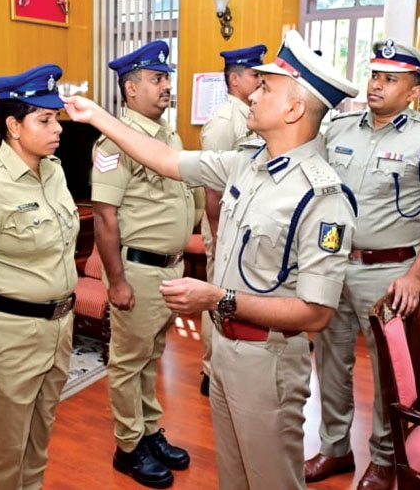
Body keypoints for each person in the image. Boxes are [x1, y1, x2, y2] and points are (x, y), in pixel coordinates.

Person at [65, 29, 358, 490]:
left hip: (269, 359)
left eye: (266, 87)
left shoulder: (323, 197)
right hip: (225, 350)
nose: (252, 93)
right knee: (234, 478)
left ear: (293, 109)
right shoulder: (247, 163)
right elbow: (164, 160)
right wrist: (99, 116)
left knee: (270, 479)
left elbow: (316, 313)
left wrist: (218, 298)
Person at [305, 39, 420, 490]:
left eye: (390, 79)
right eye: (375, 75)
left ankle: (385, 457)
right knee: (331, 363)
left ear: (414, 91)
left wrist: (415, 276)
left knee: (389, 371)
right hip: (333, 264)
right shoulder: (338, 129)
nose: (376, 85)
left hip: (389, 272)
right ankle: (334, 449)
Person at [0, 64, 79, 490]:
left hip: (59, 327)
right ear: (13, 126)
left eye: (56, 117)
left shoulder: (54, 170)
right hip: (11, 334)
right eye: (44, 119)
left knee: (40, 438)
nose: (56, 127)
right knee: (5, 449)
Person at [92, 40, 194, 488]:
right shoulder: (114, 142)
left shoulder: (167, 133)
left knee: (151, 356)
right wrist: (116, 282)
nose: (166, 86)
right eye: (157, 79)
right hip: (138, 270)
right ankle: (128, 446)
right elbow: (105, 216)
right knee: (127, 361)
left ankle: (150, 432)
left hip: (169, 269)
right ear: (131, 90)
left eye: (166, 78)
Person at [197, 43, 267, 396]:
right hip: (221, 226)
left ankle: (228, 364)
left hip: (240, 227)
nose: (260, 80)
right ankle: (211, 371)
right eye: (255, 75)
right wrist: (217, 236)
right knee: (215, 297)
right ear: (235, 79)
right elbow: (212, 188)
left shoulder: (252, 114)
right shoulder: (225, 122)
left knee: (233, 297)